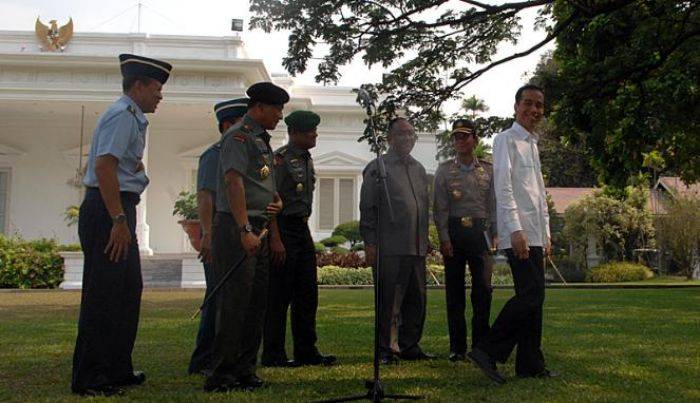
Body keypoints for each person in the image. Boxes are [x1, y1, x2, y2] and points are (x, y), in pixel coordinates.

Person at [71, 53, 172, 396]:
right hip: (107, 210)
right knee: (104, 294)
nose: (160, 95)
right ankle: (91, 377)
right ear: (139, 85)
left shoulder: (133, 117)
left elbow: (121, 165)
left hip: (117, 207)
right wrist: (117, 220)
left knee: (127, 291)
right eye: (157, 88)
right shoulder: (122, 115)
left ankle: (117, 368)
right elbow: (104, 168)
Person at [468, 84, 558, 384]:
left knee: (533, 298)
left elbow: (538, 194)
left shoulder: (532, 144)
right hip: (518, 232)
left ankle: (530, 363)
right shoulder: (505, 140)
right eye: (528, 104)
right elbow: (504, 188)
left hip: (534, 234)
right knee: (532, 296)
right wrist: (515, 230)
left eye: (539, 106)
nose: (534, 110)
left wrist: (545, 234)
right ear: (516, 106)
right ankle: (486, 350)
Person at [204, 82, 287, 392]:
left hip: (261, 225)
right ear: (259, 108)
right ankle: (221, 375)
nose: (280, 115)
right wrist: (243, 230)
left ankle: (244, 370)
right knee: (235, 302)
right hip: (238, 227)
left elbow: (262, 184)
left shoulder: (262, 142)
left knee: (256, 303)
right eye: (277, 109)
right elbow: (233, 183)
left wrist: (276, 201)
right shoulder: (238, 136)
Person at [262, 110, 337, 367]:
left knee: (307, 293)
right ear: (294, 133)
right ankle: (274, 354)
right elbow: (270, 200)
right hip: (282, 228)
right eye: (309, 132)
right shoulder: (280, 160)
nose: (315, 135)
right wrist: (275, 238)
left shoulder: (307, 159)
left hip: (301, 228)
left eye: (315, 131)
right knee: (279, 295)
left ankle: (306, 350)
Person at [359, 117, 434, 365]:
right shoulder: (377, 167)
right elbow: (368, 208)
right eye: (401, 134)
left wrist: (426, 239)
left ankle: (409, 344)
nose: (407, 138)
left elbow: (423, 208)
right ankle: (383, 349)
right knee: (388, 301)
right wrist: (370, 243)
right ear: (389, 138)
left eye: (411, 134)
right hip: (389, 246)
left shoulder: (419, 169)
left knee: (417, 299)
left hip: (416, 246)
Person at [188, 97, 249, 376]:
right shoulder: (215, 154)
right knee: (217, 297)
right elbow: (204, 196)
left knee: (230, 297)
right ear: (228, 124)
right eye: (242, 122)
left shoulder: (241, 151)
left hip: (235, 233)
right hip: (218, 234)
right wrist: (208, 234)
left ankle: (225, 355)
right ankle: (203, 359)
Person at [433, 119, 497, 362]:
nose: (460, 141)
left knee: (483, 291)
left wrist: (496, 233)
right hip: (456, 233)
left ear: (475, 139)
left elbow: (493, 205)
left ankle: (480, 346)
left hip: (481, 233)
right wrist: (444, 238)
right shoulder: (445, 170)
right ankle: (457, 348)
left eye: (465, 136)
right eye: (456, 137)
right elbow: (440, 208)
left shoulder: (489, 170)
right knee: (454, 293)